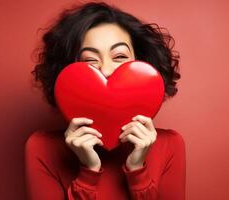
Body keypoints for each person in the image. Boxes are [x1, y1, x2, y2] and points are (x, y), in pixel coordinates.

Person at [26, 2, 185, 199]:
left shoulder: (170, 145)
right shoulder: (42, 147)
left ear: (143, 62)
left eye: (119, 56)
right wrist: (88, 173)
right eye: (90, 60)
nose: (106, 70)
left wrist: (137, 172)